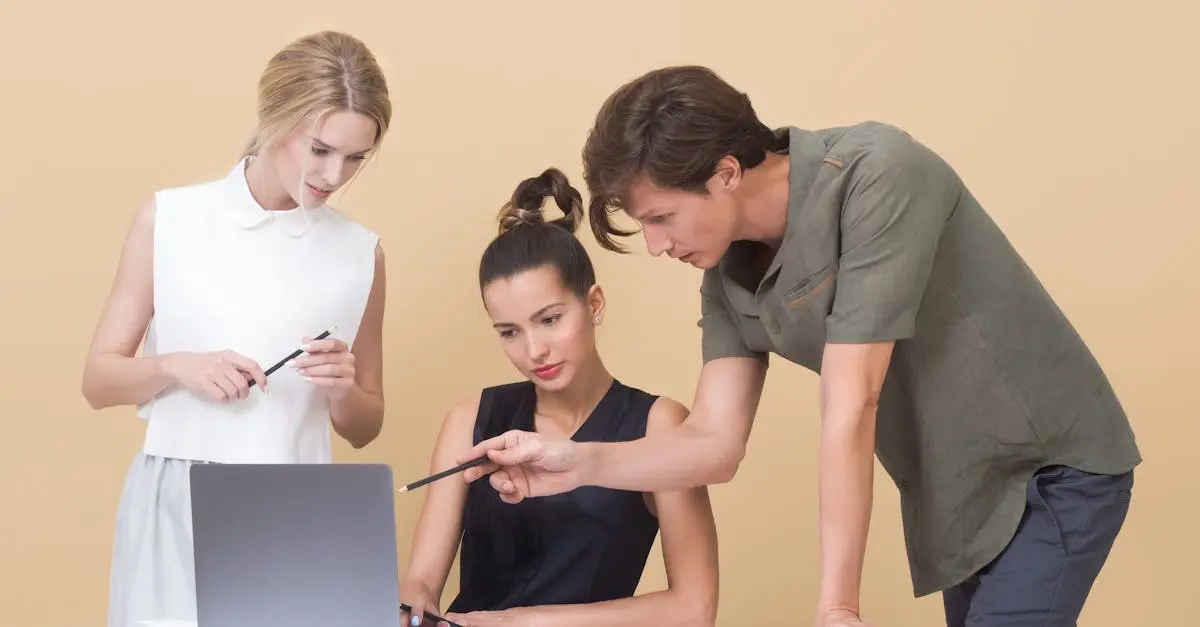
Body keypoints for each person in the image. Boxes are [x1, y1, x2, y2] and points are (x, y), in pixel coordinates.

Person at [457, 66, 1142, 627]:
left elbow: (853, 399)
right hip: (955, 497)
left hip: (1049, 470)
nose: (658, 245)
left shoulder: (878, 174)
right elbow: (714, 445)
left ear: (726, 171)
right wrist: (572, 460)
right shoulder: (724, 267)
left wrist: (837, 605)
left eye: (661, 217)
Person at [80, 30, 393, 627]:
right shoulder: (170, 219)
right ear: (277, 118)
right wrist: (178, 365)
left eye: (356, 158)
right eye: (321, 149)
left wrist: (341, 390)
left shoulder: (361, 255)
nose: (335, 175)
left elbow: (365, 427)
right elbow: (98, 381)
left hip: (297, 510)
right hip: (176, 501)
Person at [398, 168, 719, 627]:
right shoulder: (471, 420)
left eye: (549, 319)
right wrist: (409, 609)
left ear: (594, 305)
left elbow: (694, 609)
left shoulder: (658, 425)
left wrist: (518, 623)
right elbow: (420, 585)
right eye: (509, 332)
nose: (534, 351)